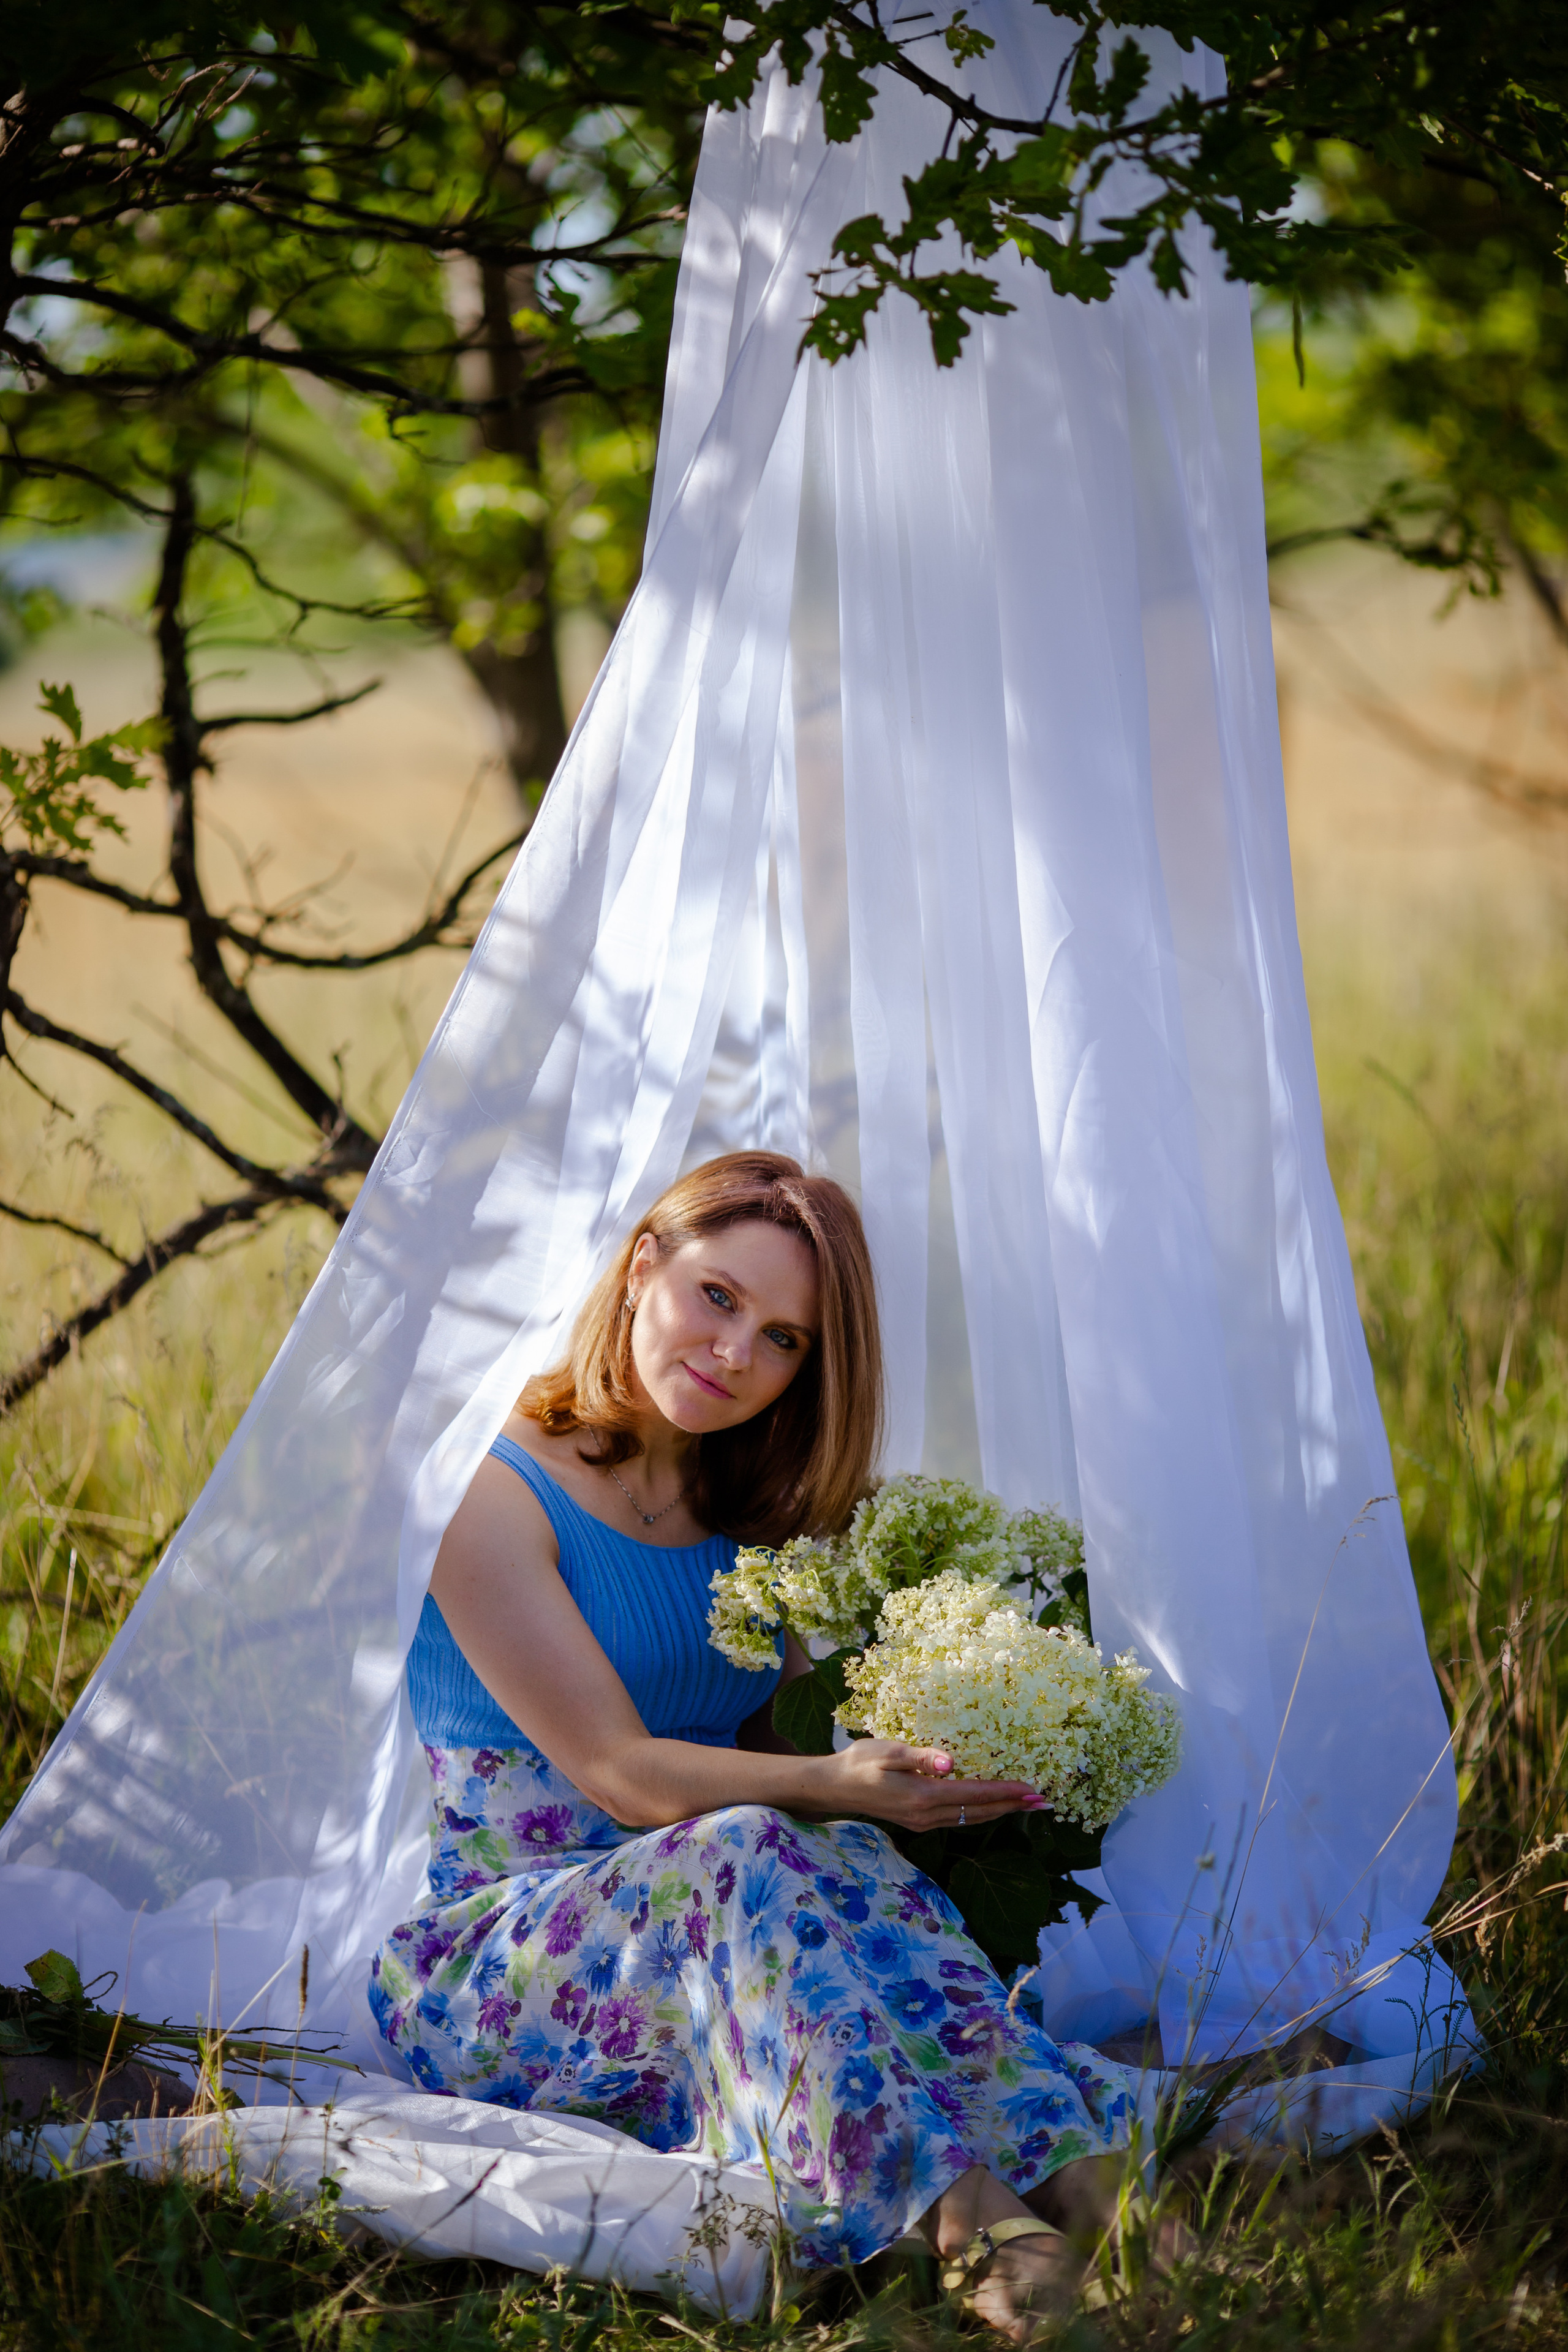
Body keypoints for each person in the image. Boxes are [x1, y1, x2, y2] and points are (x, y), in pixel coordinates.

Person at [370, 1150, 1134, 2338]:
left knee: (850, 1863)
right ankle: (966, 2224)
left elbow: (781, 1747)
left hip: (703, 1913)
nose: (735, 1352)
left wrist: (928, 1736)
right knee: (754, 1845)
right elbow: (619, 1774)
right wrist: (832, 1783)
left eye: (781, 1339)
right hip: (504, 1955)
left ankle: (1098, 2193)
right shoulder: (492, 1487)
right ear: (640, 1269)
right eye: (717, 1297)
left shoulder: (740, 1518)